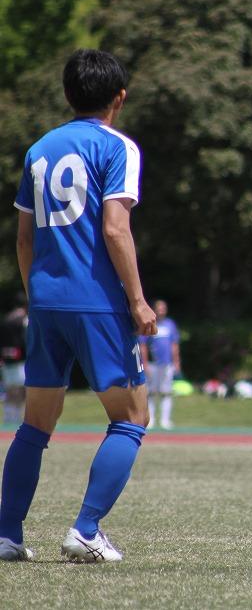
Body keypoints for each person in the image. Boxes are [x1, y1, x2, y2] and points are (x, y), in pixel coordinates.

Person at [0, 49, 157, 563]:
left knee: (35, 423)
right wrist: (138, 301)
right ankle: (86, 530)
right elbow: (115, 228)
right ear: (120, 98)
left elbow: (24, 239)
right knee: (131, 417)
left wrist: (38, 298)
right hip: (98, 303)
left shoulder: (40, 148)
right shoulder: (118, 147)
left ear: (68, 94)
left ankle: (7, 535)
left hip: (45, 301)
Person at [139, 300, 181, 430]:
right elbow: (143, 345)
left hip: (167, 364)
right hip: (152, 364)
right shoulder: (150, 323)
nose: (161, 310)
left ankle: (165, 420)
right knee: (151, 392)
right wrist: (144, 363)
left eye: (163, 308)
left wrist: (176, 361)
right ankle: (150, 419)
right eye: (159, 308)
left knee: (166, 392)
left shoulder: (170, 324)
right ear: (155, 309)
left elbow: (174, 344)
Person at [1, 295, 29, 424]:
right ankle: (16, 416)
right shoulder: (24, 320)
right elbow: (26, 340)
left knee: (10, 388)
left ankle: (8, 415)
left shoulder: (6, 319)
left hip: (7, 359)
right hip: (21, 359)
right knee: (21, 389)